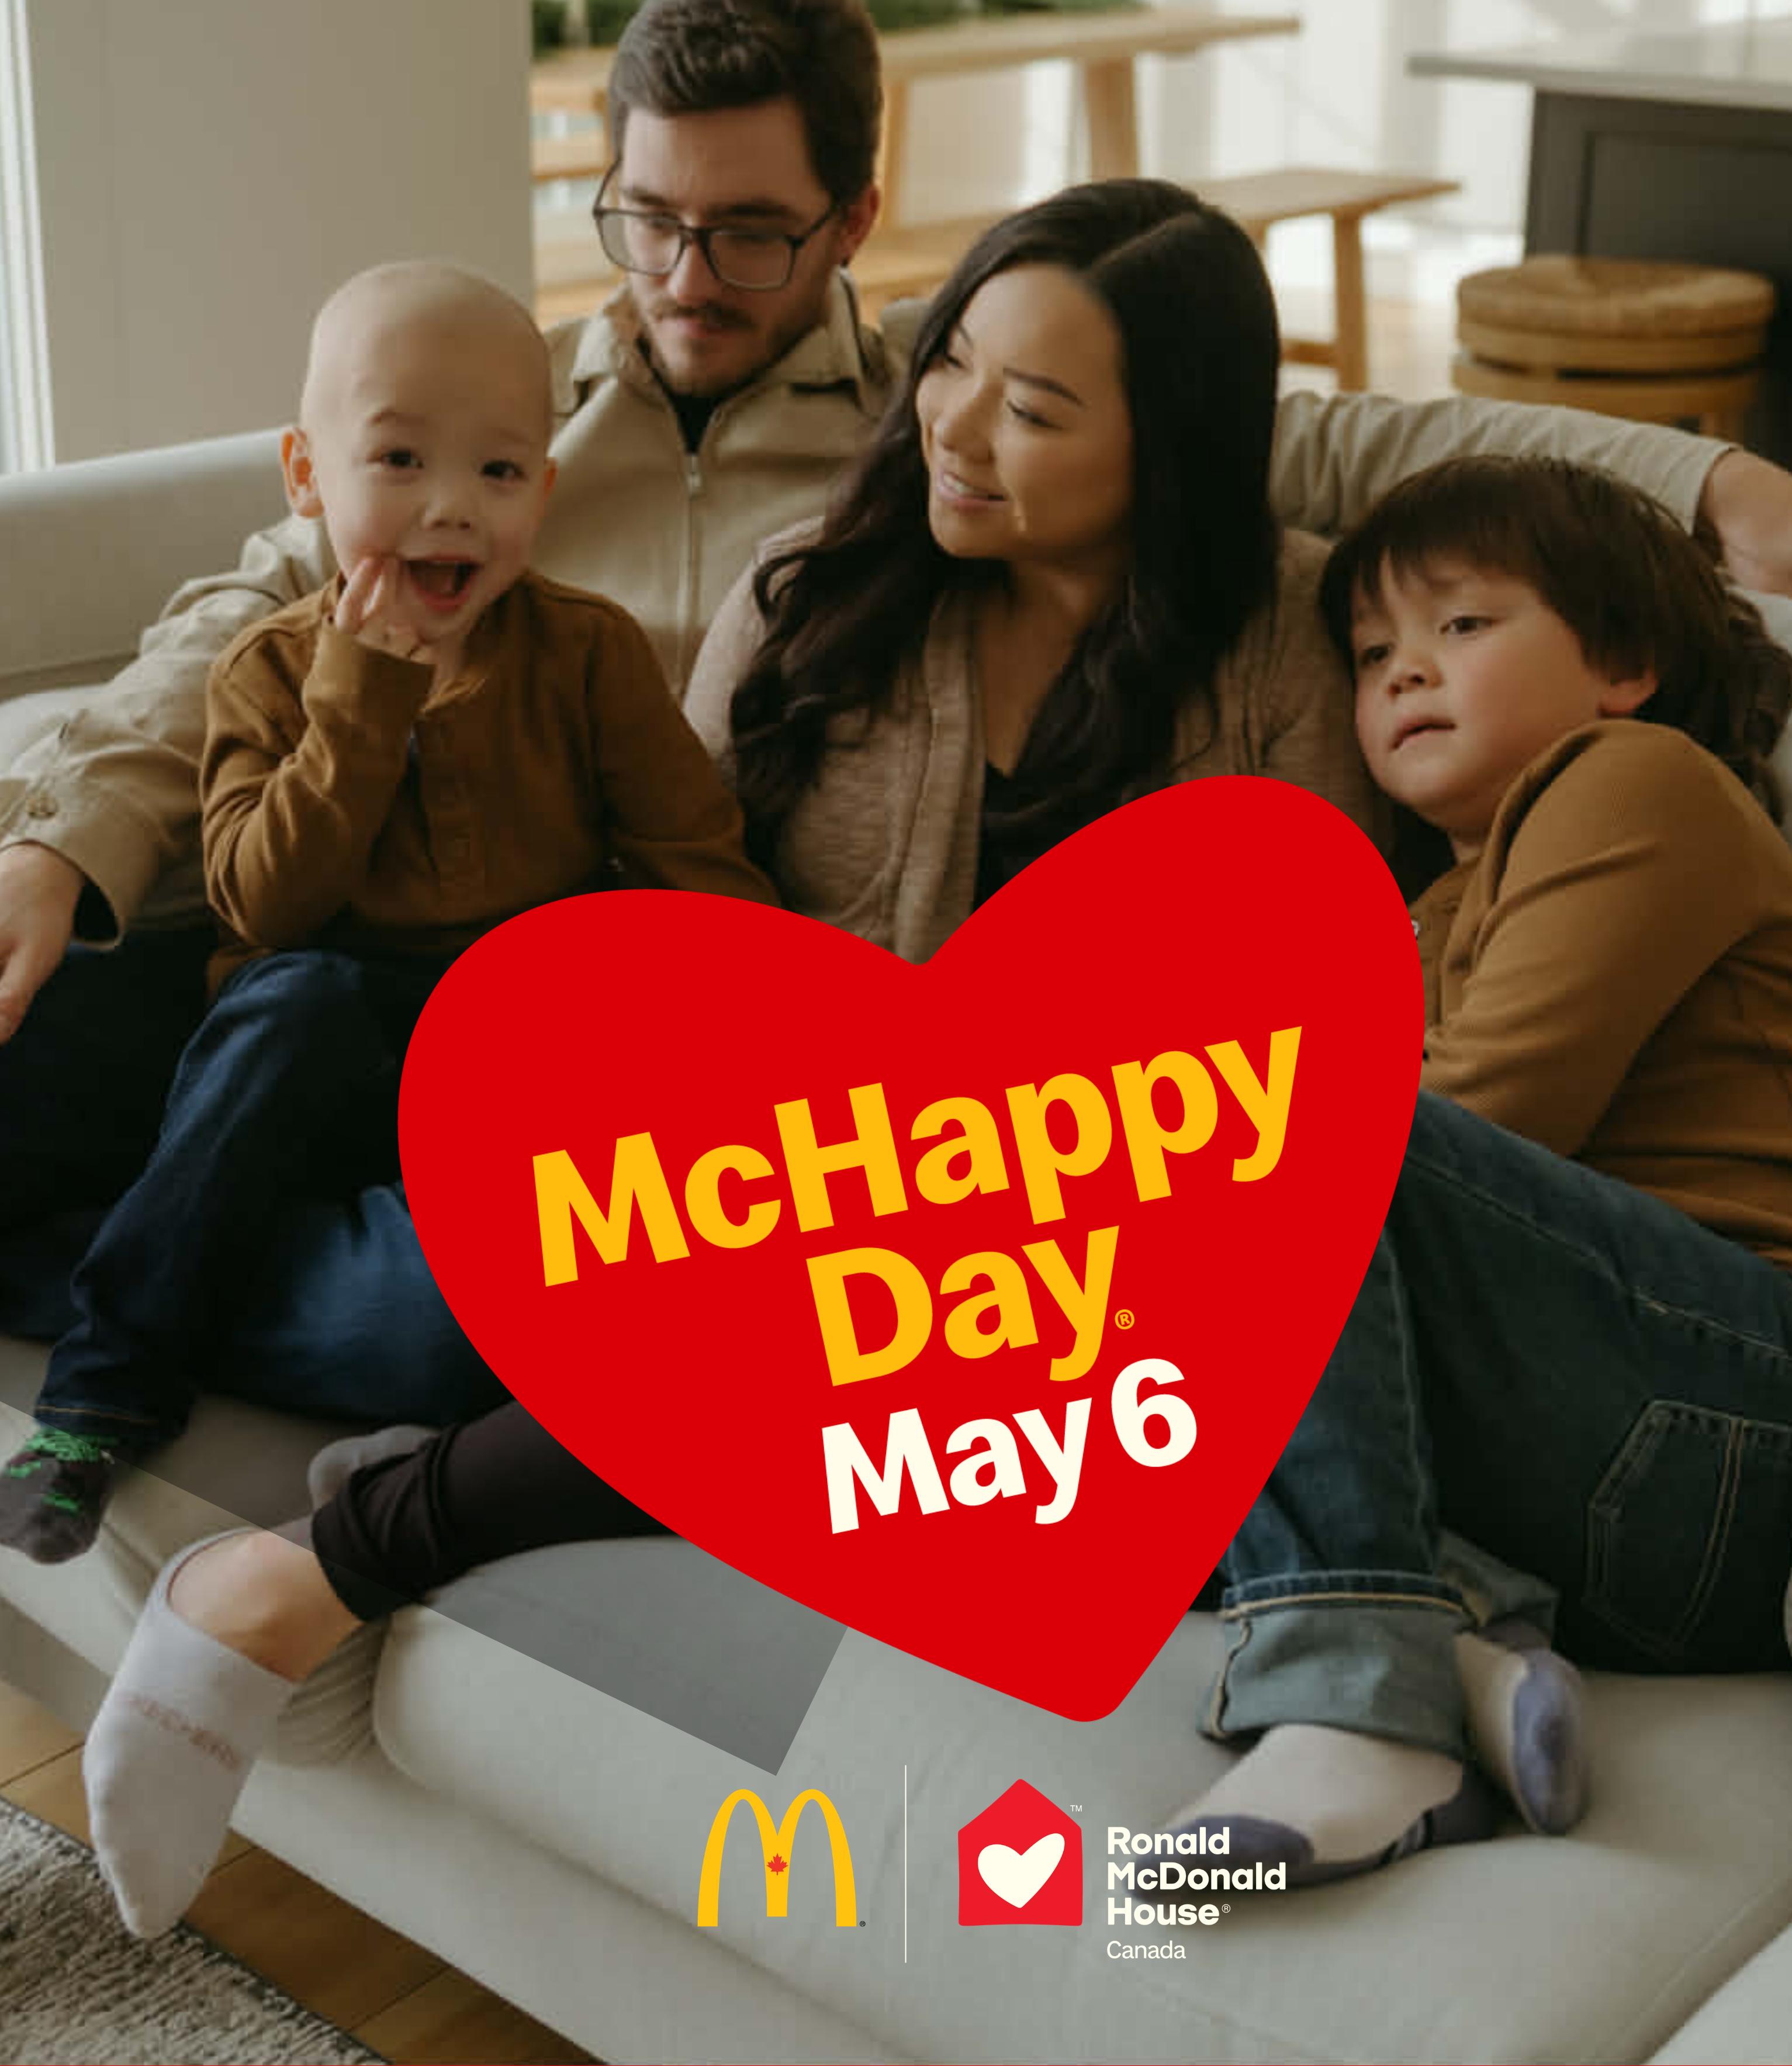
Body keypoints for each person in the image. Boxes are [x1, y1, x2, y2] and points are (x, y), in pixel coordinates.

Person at [0, 0, 1792, 1429]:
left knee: (436, 1322)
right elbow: (239, 609)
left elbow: (1355, 441)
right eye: (647, 214)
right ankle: (154, 1245)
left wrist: (1708, 475)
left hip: (685, 1071)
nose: (685, 271)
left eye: (751, 228)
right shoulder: (495, 420)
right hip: (391, 970)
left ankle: (148, 1282)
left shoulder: (955, 410)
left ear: (851, 224)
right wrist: (61, 849)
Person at [71, 179, 1533, 1937]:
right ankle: (1427, 1629)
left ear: (1181, 444)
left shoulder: (1295, 644)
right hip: (782, 1167)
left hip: (1065, 1227)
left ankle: (306, 1565)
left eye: (1040, 408)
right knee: (459, 1281)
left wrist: (1721, 483)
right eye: (953, 365)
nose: (961, 428)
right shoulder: (818, 593)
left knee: (585, 1325)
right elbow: (662, 915)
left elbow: (1290, 1021)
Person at [1128, 452, 1792, 1891]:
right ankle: (1460, 1646)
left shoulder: (1636, 779)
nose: (1401, 675)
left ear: (1622, 663)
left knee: (1261, 1127)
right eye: (1371, 651)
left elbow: (1499, 1110)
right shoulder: (1414, 909)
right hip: (1618, 1498)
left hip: (1777, 1403)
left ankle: (1360, 1697)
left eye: (1462, 627)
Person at [0, 261, 773, 1565]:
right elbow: (266, 901)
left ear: (546, 487)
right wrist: (358, 707)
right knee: (290, 994)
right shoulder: (272, 667)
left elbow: (702, 871)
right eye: (402, 460)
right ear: (307, 476)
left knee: (458, 1325)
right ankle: (103, 1392)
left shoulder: (589, 655)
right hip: (297, 1065)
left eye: (497, 473)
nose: (449, 511)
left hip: (494, 1088)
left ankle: (132, 1271)